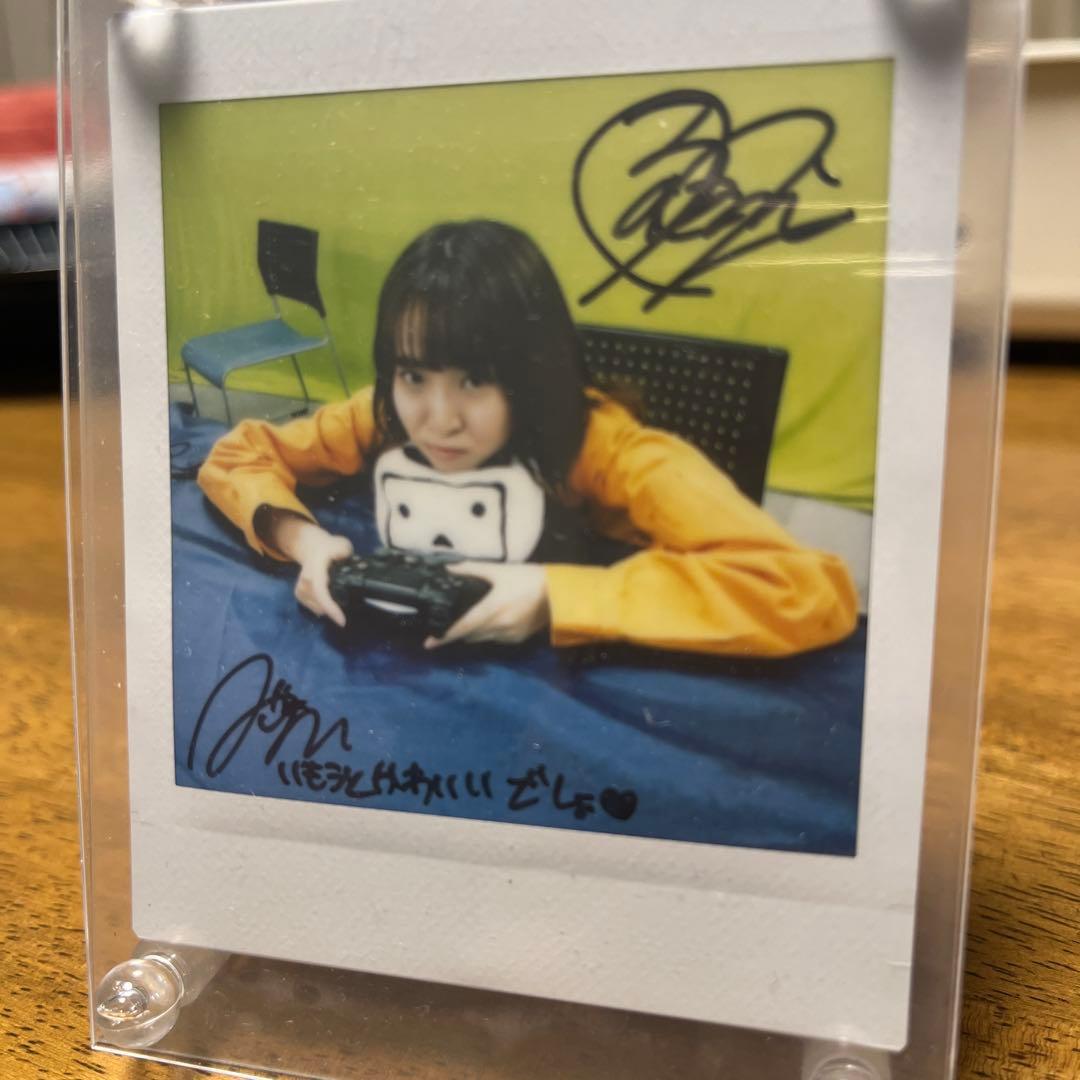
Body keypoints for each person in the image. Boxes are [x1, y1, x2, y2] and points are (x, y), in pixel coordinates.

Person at [198, 220, 858, 656]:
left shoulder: (608, 447)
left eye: (475, 380)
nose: (439, 419)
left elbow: (805, 587)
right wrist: (304, 541)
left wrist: (554, 596)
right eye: (414, 374)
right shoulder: (384, 414)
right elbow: (238, 455)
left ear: (532, 375)